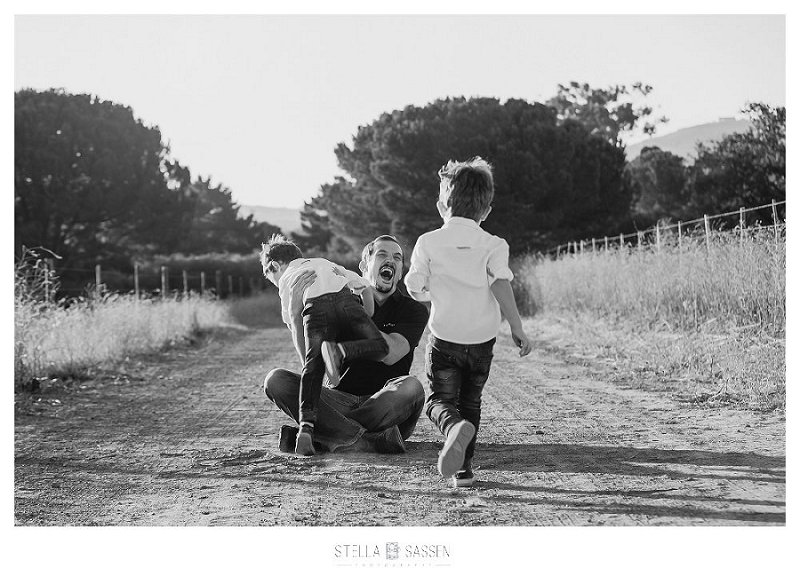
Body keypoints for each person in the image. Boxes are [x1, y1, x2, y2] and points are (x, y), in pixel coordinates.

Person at [405, 156, 532, 488]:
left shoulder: (428, 242)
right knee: (470, 401)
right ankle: (464, 471)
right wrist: (516, 327)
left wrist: (427, 290)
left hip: (445, 336)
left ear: (441, 205)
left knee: (439, 401)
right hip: (481, 340)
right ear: (487, 210)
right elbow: (500, 284)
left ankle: (451, 429)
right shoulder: (493, 244)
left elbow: (414, 284)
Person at [263, 235, 430, 455]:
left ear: (400, 271)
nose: (391, 260)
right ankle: (371, 440)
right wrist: (295, 315)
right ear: (363, 266)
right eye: (382, 255)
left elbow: (391, 353)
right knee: (276, 380)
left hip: (386, 405)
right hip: (339, 400)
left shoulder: (413, 309)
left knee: (412, 387)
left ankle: (327, 434)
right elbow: (311, 365)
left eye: (397, 258)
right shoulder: (334, 297)